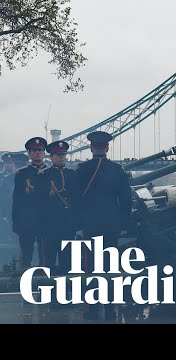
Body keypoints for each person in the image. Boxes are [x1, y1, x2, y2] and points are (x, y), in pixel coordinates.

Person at [75, 131, 131, 320]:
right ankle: (110, 310)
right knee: (110, 268)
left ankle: (91, 310)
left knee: (90, 268)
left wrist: (79, 226)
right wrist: (123, 225)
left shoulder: (82, 169)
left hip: (89, 226)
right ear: (107, 147)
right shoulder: (118, 170)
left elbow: (75, 200)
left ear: (91, 148)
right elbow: (126, 201)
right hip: (111, 227)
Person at [12, 137, 49, 269]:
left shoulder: (51, 173)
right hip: (27, 220)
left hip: (46, 220)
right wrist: (16, 222)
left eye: (40, 150)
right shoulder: (22, 174)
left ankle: (44, 282)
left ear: (44, 153)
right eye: (34, 150)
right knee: (25, 256)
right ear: (29, 153)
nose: (37, 152)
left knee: (45, 257)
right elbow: (16, 200)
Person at [42, 140, 77, 274]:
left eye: (63, 154)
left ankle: (66, 290)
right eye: (58, 154)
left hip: (68, 224)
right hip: (49, 224)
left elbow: (77, 200)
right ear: (51, 157)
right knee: (48, 261)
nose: (61, 156)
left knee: (67, 260)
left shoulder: (73, 174)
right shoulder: (44, 175)